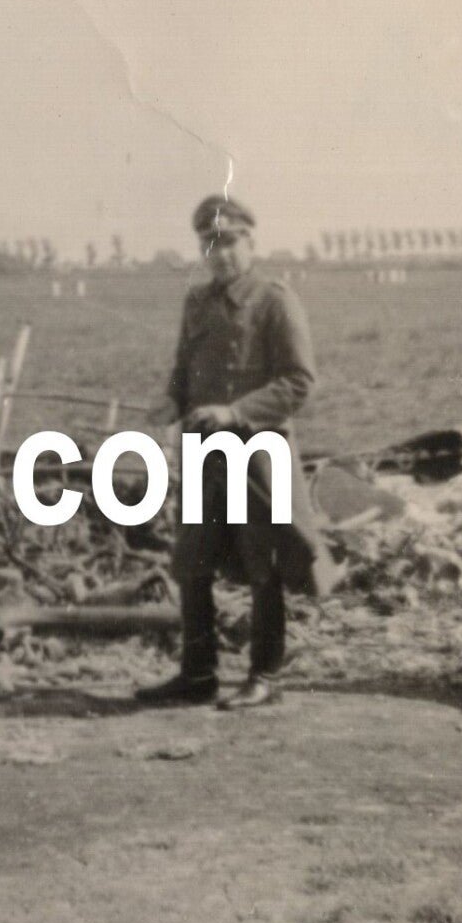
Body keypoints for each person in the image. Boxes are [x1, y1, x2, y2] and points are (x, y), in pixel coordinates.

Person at [136, 194, 339, 711]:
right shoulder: (197, 302)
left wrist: (236, 412)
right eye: (209, 244)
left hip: (257, 453)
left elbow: (299, 383)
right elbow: (185, 370)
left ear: (251, 242)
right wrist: (169, 401)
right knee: (192, 560)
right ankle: (197, 674)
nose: (219, 254)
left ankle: (265, 675)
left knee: (262, 561)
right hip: (204, 453)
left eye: (228, 242)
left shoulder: (275, 300)